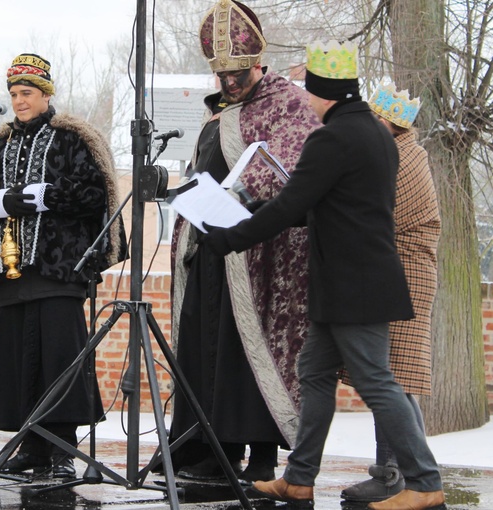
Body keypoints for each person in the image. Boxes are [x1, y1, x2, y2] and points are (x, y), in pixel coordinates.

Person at [201, 40, 446, 510]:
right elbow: (324, 208)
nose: (306, 100)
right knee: (314, 372)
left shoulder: (332, 138)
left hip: (353, 285)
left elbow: (294, 203)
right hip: (351, 282)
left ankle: (424, 481)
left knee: (376, 380)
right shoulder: (375, 135)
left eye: (310, 91)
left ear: (324, 93)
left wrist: (228, 238)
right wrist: (263, 214)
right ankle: (299, 478)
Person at [168, 0, 320, 482]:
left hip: (261, 257)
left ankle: (261, 456)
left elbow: (298, 172)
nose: (230, 84)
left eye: (238, 73)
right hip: (210, 254)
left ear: (258, 61)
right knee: (202, 348)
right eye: (222, 75)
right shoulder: (216, 114)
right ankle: (209, 450)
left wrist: (250, 191)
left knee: (248, 355)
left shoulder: (289, 104)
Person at [0, 53, 125, 479]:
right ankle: (31, 447)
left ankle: (61, 449)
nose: (19, 101)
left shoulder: (72, 138)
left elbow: (94, 193)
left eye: (27, 93)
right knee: (19, 358)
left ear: (46, 94)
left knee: (59, 356)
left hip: (60, 269)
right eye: (14, 94)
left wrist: (39, 195)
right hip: (13, 271)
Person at [340, 82, 441, 503]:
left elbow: (374, 211)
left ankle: (396, 475)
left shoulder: (404, 159)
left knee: (395, 379)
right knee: (394, 377)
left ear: (391, 123)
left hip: (406, 277)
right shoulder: (398, 153)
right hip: (396, 274)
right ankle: (397, 473)